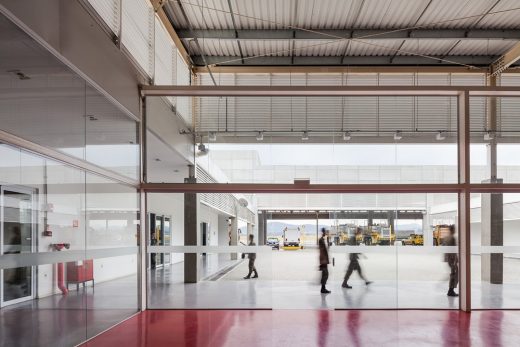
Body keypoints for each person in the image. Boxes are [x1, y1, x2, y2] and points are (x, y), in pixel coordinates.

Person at [443, 225, 459, 297]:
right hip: (452, 259)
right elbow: (453, 250)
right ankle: (451, 291)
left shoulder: (446, 237)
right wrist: (455, 259)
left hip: (449, 258)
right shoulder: (452, 238)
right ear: (453, 230)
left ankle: (451, 290)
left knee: (453, 274)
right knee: (454, 274)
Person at [318, 228, 331, 294]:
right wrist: (323, 261)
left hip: (324, 260)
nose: (325, 233)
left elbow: (327, 248)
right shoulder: (321, 240)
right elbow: (322, 251)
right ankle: (323, 288)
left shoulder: (323, 239)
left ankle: (323, 288)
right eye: (325, 232)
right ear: (323, 232)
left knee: (325, 274)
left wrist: (328, 240)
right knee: (325, 274)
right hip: (323, 260)